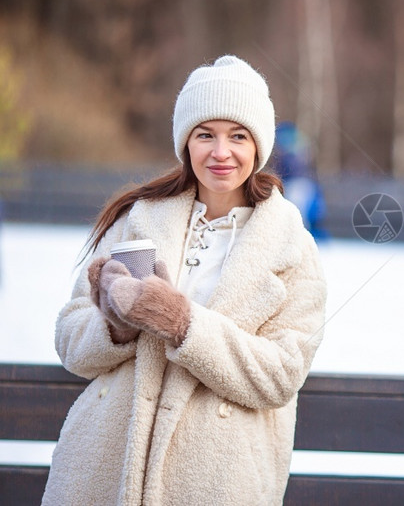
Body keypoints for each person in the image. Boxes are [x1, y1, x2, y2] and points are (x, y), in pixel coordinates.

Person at [42, 55, 327, 505]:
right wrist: (119, 326)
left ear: (259, 146)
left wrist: (180, 321)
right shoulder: (138, 220)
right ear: (185, 143)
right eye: (204, 135)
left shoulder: (291, 245)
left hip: (215, 482)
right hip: (102, 474)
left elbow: (281, 374)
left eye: (237, 136)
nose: (220, 152)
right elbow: (70, 339)